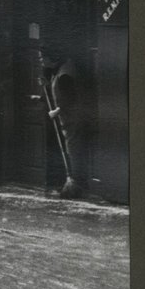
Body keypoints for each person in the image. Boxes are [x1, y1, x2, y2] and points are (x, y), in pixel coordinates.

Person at [44, 51, 90, 199]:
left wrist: (55, 112)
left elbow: (70, 99)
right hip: (69, 119)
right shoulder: (61, 70)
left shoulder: (64, 75)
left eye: (42, 58)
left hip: (73, 119)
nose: (41, 61)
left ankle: (75, 186)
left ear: (50, 58)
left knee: (74, 151)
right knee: (73, 150)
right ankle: (74, 184)